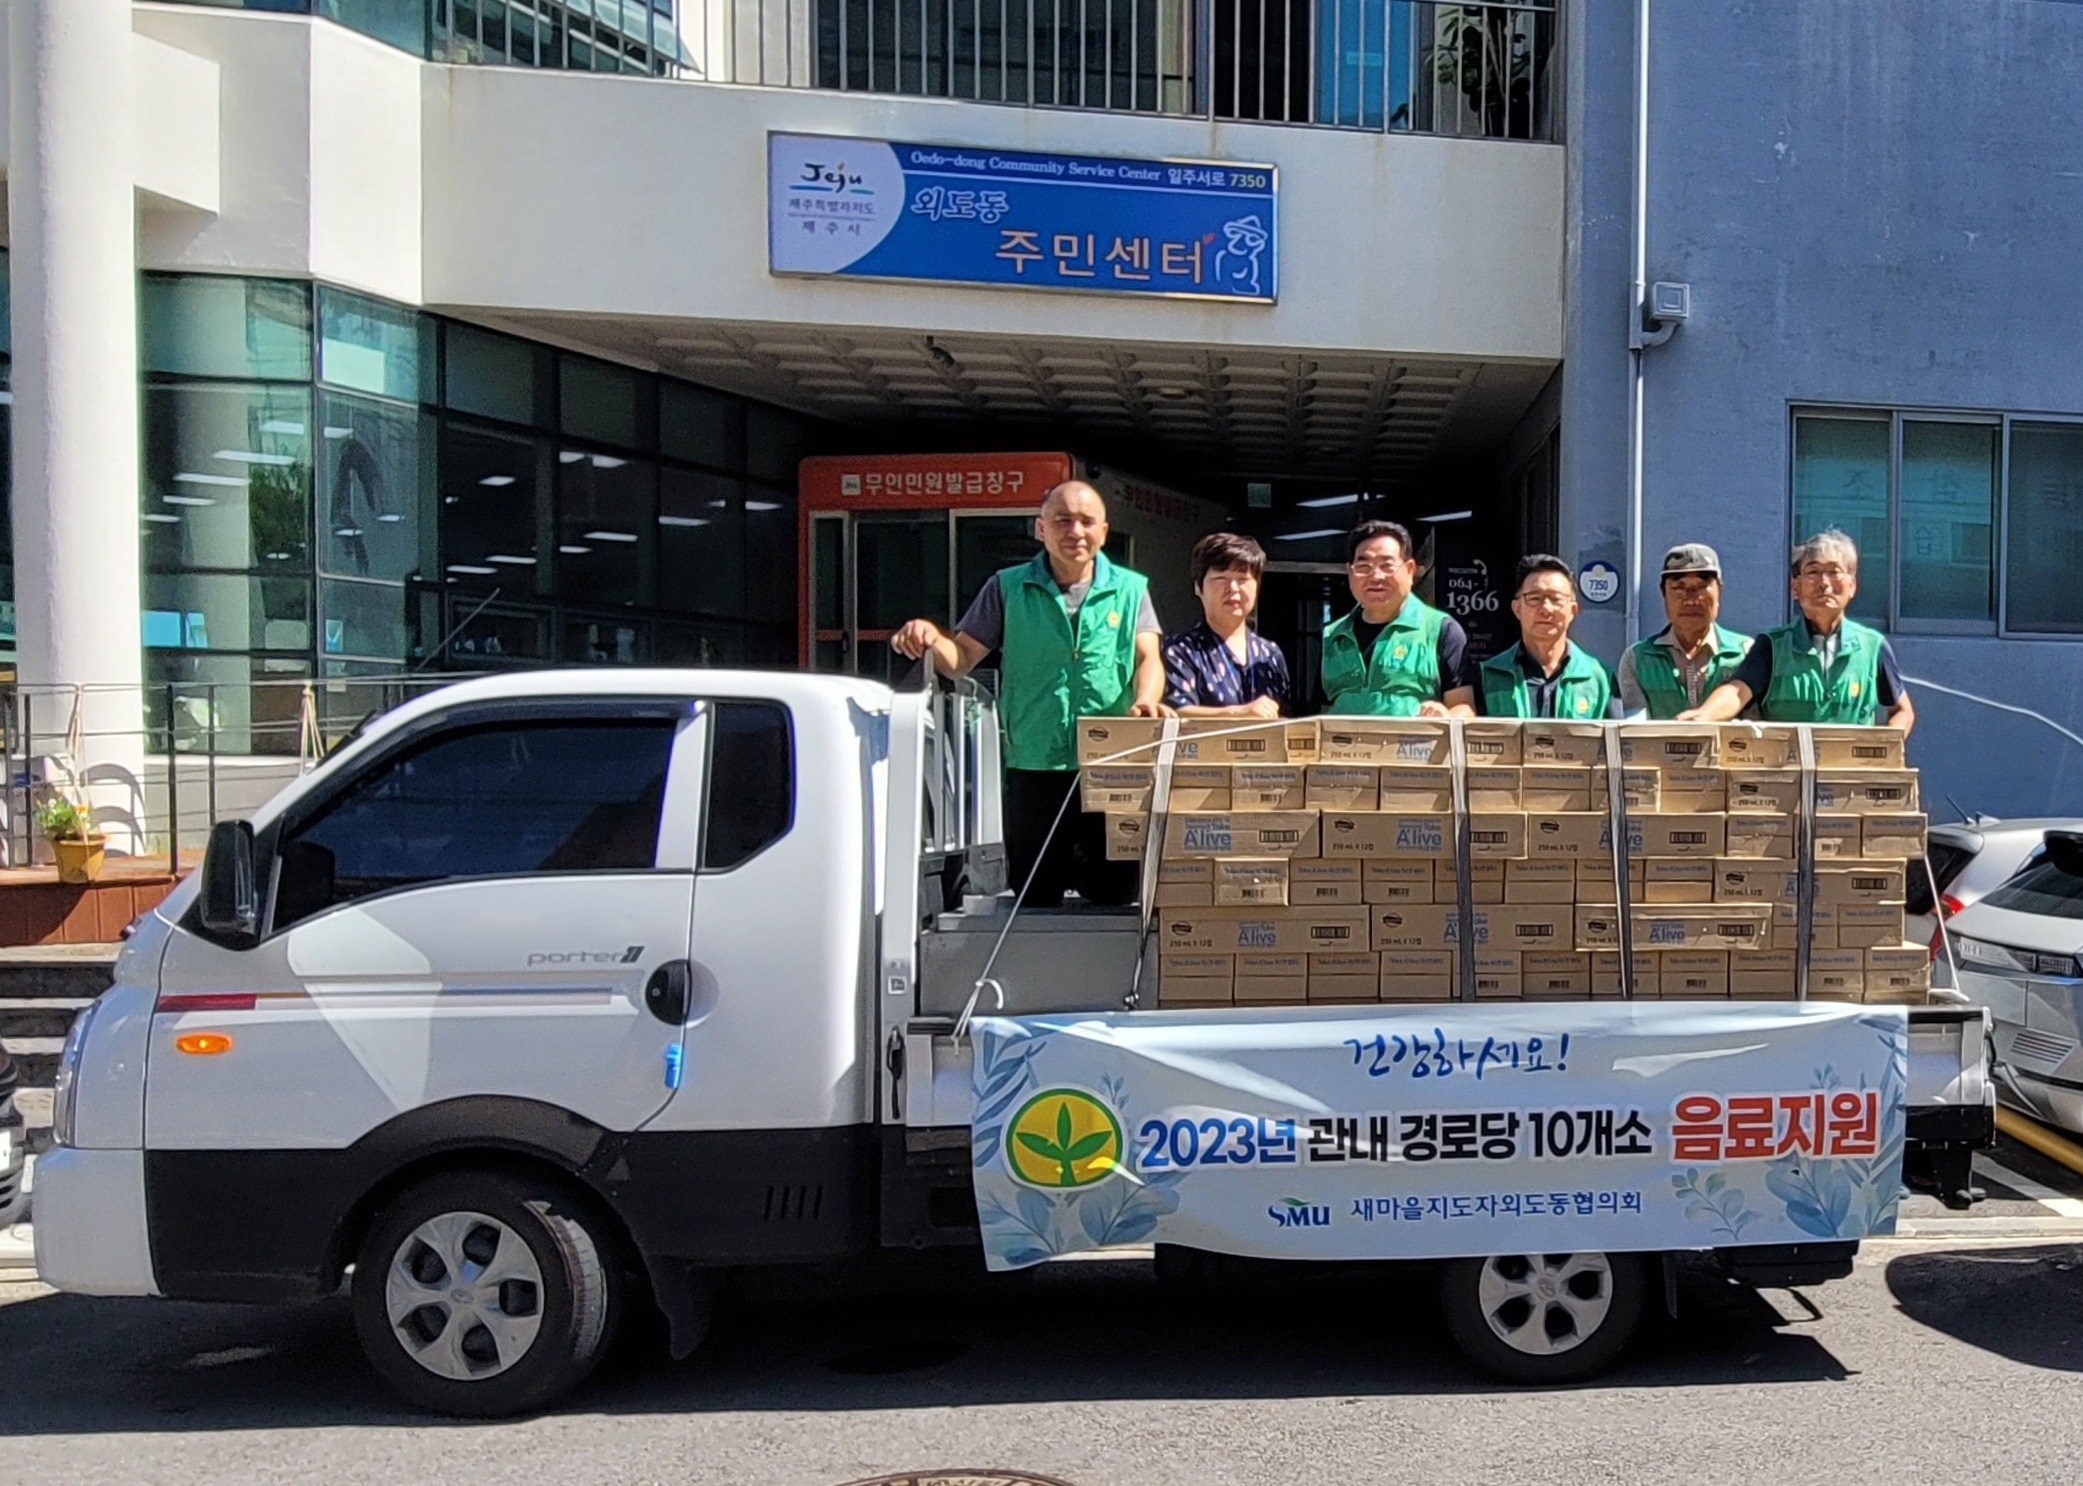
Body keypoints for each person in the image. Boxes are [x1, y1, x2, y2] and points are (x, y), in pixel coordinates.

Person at [890, 480, 1168, 907]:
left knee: (1116, 893)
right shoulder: (1007, 586)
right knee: (1035, 893)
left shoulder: (1132, 589)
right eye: (1062, 520)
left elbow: (1147, 656)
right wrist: (928, 636)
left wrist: (1146, 698)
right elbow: (961, 656)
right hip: (1034, 763)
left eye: (1086, 521)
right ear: (1041, 529)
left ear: (1104, 532)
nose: (1075, 531)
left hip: (1111, 765)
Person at [1679, 529, 1915, 733]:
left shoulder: (1873, 647)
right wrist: (1704, 715)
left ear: (1852, 586)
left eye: (1834, 571)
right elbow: (1737, 691)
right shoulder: (1772, 646)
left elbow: (1902, 711)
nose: (1824, 582)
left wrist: (1884, 749)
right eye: (1813, 572)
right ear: (1795, 588)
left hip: (1849, 779)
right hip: (1786, 777)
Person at [1320, 520, 1477, 716]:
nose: (1376, 576)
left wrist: (1445, 715)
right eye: (1364, 566)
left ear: (1410, 570)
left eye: (1387, 566)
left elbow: (1465, 707)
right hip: (1343, 746)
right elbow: (1322, 709)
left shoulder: (1440, 629)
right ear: (1350, 573)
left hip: (1417, 746)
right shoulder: (1331, 636)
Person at [1616, 543, 1753, 718]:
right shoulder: (1637, 659)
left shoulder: (1745, 653)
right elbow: (1634, 727)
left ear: (1720, 590)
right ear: (1663, 593)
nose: (1690, 600)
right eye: (1679, 588)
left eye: (1701, 587)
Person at [1162, 531, 1290, 718]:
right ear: (1199, 587)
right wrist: (1239, 713)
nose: (1233, 588)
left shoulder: (1270, 653)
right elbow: (1176, 713)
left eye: (1243, 579)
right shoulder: (1179, 651)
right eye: (1221, 579)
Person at [1476, 554, 1621, 718]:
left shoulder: (1599, 678)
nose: (1546, 608)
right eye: (1534, 598)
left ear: (1573, 610)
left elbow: (1616, 742)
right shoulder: (1488, 674)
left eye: (1556, 599)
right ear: (1517, 609)